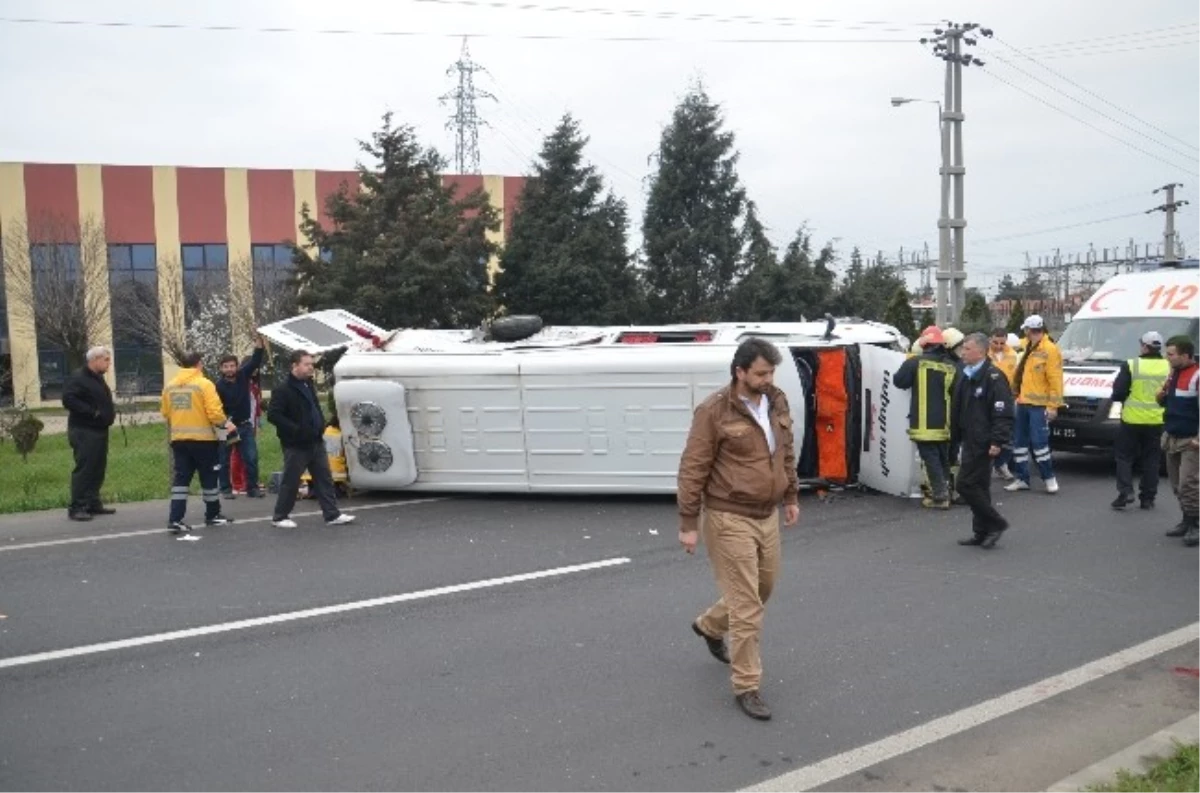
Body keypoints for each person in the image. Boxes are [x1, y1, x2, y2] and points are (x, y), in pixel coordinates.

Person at [678, 338, 799, 722]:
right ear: (740, 371)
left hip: (766, 515)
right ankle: (747, 686)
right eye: (761, 373)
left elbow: (786, 452)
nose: (768, 379)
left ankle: (710, 626)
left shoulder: (777, 401)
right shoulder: (714, 411)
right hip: (728, 517)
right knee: (747, 608)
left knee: (763, 589)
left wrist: (791, 495)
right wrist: (688, 523)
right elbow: (693, 467)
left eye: (771, 372)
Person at [267, 349, 356, 529]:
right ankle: (280, 516)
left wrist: (321, 424)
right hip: (296, 444)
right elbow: (273, 415)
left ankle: (332, 514)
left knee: (324, 478)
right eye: (306, 364)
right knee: (291, 481)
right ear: (295, 366)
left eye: (311, 364)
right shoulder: (283, 389)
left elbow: (313, 406)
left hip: (315, 440)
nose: (311, 368)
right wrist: (296, 430)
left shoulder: (308, 384)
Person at [161, 352, 236, 533]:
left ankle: (175, 519)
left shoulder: (170, 386)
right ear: (198, 365)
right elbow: (214, 412)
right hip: (204, 441)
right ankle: (212, 515)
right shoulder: (204, 384)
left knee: (181, 480)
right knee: (209, 478)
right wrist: (227, 425)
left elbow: (165, 412)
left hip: (179, 440)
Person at [951, 333, 1014, 549]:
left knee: (965, 484)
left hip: (984, 441)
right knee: (979, 486)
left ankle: (996, 523)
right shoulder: (965, 374)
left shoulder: (994, 377)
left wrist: (998, 441)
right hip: (969, 437)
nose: (963, 353)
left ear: (980, 351)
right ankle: (982, 531)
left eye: (967, 349)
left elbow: (1002, 412)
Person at [893, 326, 960, 509]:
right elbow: (957, 393)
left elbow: (899, 381)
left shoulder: (915, 362)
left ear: (924, 343)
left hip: (923, 422)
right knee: (943, 458)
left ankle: (939, 496)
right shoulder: (951, 366)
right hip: (945, 422)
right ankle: (947, 491)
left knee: (930, 458)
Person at [1110, 331, 1169, 510]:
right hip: (1157, 420)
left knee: (1124, 457)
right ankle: (1148, 498)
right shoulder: (1168, 366)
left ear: (1144, 346)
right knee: (1152, 459)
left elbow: (1119, 393)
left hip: (1131, 420)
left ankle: (1126, 492)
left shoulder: (1131, 364)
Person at [1006, 314, 1064, 494]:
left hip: (1039, 406)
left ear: (1030, 330)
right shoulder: (1028, 346)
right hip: (1023, 402)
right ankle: (1022, 478)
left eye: (1026, 330)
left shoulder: (1050, 349)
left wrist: (1053, 406)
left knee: (1040, 444)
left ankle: (1049, 478)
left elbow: (1056, 380)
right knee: (1020, 443)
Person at [61, 345, 117, 521]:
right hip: (85, 430)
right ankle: (77, 506)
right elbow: (68, 399)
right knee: (85, 468)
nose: (109, 363)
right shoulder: (79, 378)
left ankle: (92, 503)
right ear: (95, 360)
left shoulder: (97, 378)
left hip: (99, 430)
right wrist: (92, 412)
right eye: (106, 360)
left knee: (97, 467)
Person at [1157, 336, 1200, 545]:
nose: (1167, 357)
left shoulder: (1197, 376)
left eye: (1171, 354)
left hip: (1192, 439)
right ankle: (1187, 520)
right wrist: (1161, 395)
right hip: (1172, 435)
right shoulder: (1173, 373)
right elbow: (1165, 401)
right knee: (1176, 484)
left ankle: (1196, 525)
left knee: (1189, 484)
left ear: (1185, 355)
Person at [216, 335, 266, 499]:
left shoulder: (244, 376)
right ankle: (226, 489)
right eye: (226, 367)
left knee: (251, 457)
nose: (230, 369)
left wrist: (259, 342)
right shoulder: (217, 386)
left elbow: (255, 360)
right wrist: (225, 422)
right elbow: (214, 408)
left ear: (237, 367)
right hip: (225, 426)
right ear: (221, 369)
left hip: (244, 426)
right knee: (224, 459)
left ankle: (252, 487)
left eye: (232, 366)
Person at [988, 328, 1019, 482]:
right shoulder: (984, 355)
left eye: (1002, 343)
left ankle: (1001, 464)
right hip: (987, 399)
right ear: (989, 340)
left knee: (1009, 433)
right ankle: (987, 466)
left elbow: (1018, 377)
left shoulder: (1013, 355)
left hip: (1008, 398)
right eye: (995, 342)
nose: (999, 346)